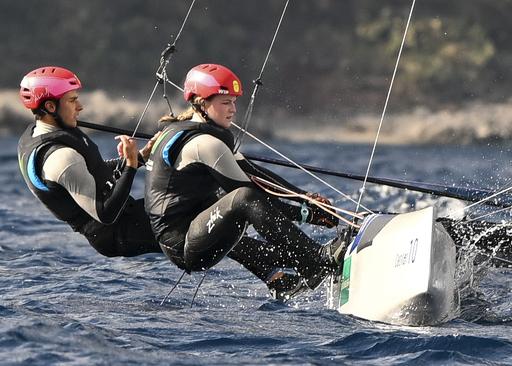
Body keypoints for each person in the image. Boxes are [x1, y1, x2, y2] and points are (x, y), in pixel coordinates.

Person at [145, 63, 345, 299]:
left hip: (198, 226)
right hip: (184, 244)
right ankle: (314, 261)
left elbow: (255, 173)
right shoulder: (206, 144)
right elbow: (251, 194)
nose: (233, 109)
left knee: (231, 199)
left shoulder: (206, 133)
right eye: (225, 102)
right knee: (243, 198)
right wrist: (305, 214)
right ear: (202, 103)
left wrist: (306, 197)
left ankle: (279, 278)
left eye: (234, 102)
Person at [17, 66, 162, 257]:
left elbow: (96, 171)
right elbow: (106, 214)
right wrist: (130, 165)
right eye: (72, 100)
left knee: (190, 195)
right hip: (119, 234)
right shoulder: (60, 159)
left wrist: (140, 157)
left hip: (129, 214)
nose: (80, 106)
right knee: (193, 206)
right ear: (51, 107)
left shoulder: (45, 130)